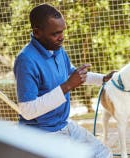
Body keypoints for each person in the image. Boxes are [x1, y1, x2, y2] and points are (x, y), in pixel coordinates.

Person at [13, 3, 113, 158]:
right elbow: (27, 110)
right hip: (40, 134)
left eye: (62, 31)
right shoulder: (26, 60)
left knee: (102, 153)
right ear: (37, 32)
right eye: (55, 33)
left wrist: (103, 79)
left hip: (63, 125)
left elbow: (73, 75)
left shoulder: (57, 49)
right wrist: (67, 86)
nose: (61, 37)